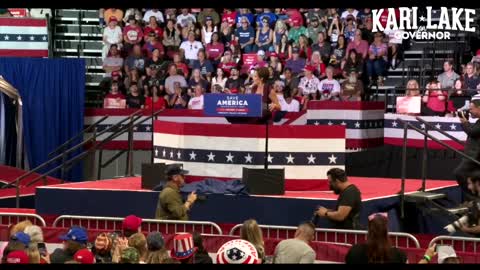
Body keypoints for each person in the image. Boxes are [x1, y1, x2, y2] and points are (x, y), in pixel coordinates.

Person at [454, 94, 480, 202]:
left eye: (471, 109)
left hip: (475, 155)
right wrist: (466, 122)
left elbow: (472, 132)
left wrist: (464, 122)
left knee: (459, 173)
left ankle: (474, 200)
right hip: (473, 155)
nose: (469, 111)